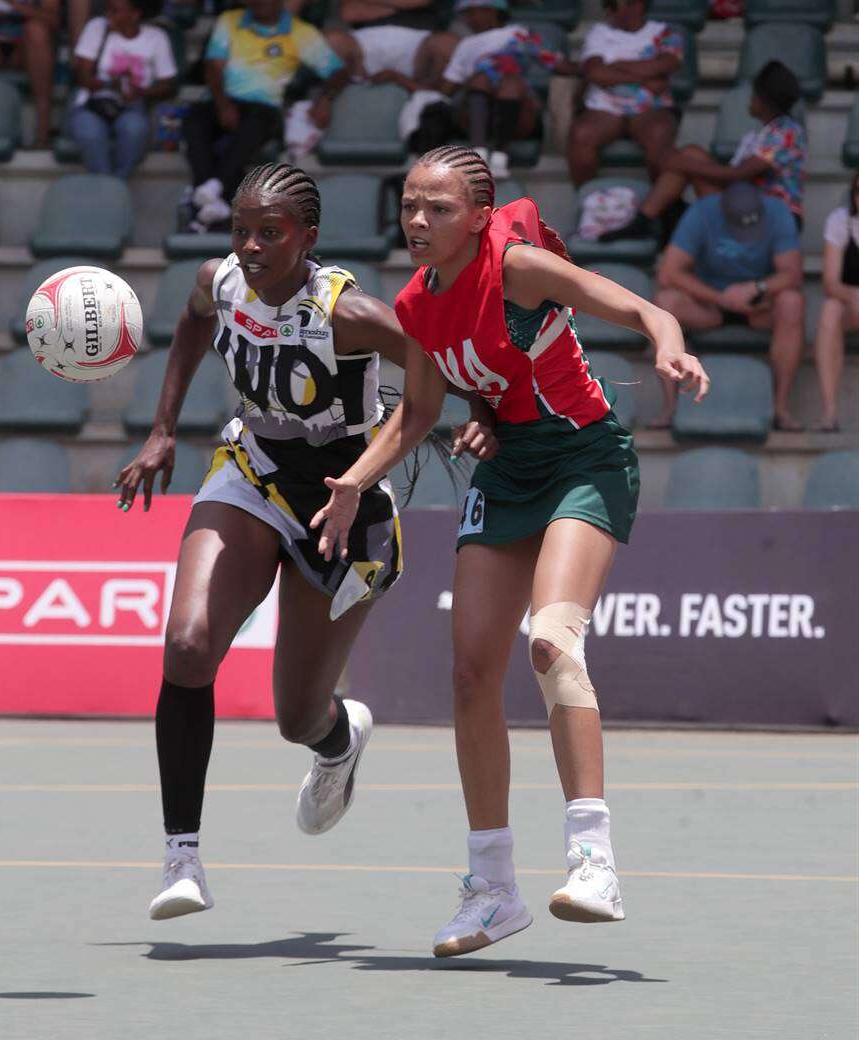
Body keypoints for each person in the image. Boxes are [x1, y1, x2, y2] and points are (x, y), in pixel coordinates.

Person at [311, 145, 709, 956]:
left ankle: (593, 860)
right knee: (468, 675)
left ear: (480, 217)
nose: (418, 221)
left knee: (552, 642)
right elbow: (418, 413)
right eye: (409, 205)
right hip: (507, 472)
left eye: (439, 209)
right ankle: (492, 890)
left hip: (584, 462)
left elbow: (641, 311)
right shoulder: (418, 304)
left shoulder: (519, 268)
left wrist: (669, 344)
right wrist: (352, 482)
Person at [114, 162, 496, 920]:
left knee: (296, 715)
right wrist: (162, 429)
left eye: (269, 232)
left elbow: (439, 360)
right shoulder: (219, 282)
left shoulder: (348, 313)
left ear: (307, 238)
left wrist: (484, 408)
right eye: (240, 230)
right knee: (188, 648)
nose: (249, 246)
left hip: (343, 503)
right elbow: (192, 323)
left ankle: (336, 739)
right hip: (251, 474)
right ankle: (180, 858)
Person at [182, 0, 346, 231]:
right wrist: (223, 106)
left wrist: (325, 98)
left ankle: (210, 188)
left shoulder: (300, 32)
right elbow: (213, 67)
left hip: (264, 106)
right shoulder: (230, 21)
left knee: (255, 124)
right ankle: (211, 193)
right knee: (194, 118)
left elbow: (339, 71)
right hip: (222, 99)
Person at [654, 182, 804, 431]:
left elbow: (792, 274)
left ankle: (781, 408)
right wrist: (719, 297)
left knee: (792, 302)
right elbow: (668, 272)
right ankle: (670, 407)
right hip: (709, 304)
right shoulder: (702, 213)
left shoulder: (778, 212)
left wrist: (757, 288)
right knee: (664, 303)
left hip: (758, 307)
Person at [602, 60, 805, 242]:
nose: (749, 101)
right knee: (691, 153)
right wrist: (684, 163)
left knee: (687, 159)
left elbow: (738, 175)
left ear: (764, 101)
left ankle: (652, 219)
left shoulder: (785, 132)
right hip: (743, 203)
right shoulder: (761, 132)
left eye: (753, 95)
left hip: (769, 216)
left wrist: (682, 164)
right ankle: (650, 218)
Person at [435, 0, 574, 180]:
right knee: (481, 79)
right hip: (473, 116)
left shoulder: (519, 34)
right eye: (465, 15)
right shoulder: (466, 45)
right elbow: (446, 88)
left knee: (511, 82)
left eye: (472, 13)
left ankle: (501, 156)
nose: (468, 20)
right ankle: (479, 154)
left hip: (519, 116)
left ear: (491, 11)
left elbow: (557, 64)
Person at [566, 0, 683, 189]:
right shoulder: (599, 32)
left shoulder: (666, 32)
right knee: (581, 134)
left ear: (637, 5)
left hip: (651, 107)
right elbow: (595, 73)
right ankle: (588, 200)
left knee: (659, 133)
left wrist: (615, 65)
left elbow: (666, 65)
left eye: (613, 5)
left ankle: (660, 209)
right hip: (603, 108)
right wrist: (647, 76)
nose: (607, 11)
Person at [68, 0, 177, 179]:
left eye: (115, 11)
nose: (108, 16)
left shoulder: (156, 37)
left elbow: (167, 85)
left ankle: (115, 185)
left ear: (135, 14)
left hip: (132, 105)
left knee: (135, 129)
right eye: (107, 10)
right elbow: (82, 78)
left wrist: (140, 92)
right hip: (93, 103)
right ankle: (110, 188)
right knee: (89, 131)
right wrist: (111, 84)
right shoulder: (97, 27)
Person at [0, 0, 59, 147]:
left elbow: (53, 20)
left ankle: (42, 135)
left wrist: (15, 6)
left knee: (37, 32)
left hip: (24, 49)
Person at [324, 0, 456, 92]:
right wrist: (402, 6)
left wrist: (369, 4)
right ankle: (333, 97)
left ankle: (431, 99)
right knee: (330, 40)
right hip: (362, 50)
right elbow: (349, 11)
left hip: (419, 48)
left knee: (448, 43)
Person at [813, 173, 859, 433]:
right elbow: (830, 283)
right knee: (829, 311)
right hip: (852, 306)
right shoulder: (841, 221)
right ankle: (829, 412)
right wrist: (853, 296)